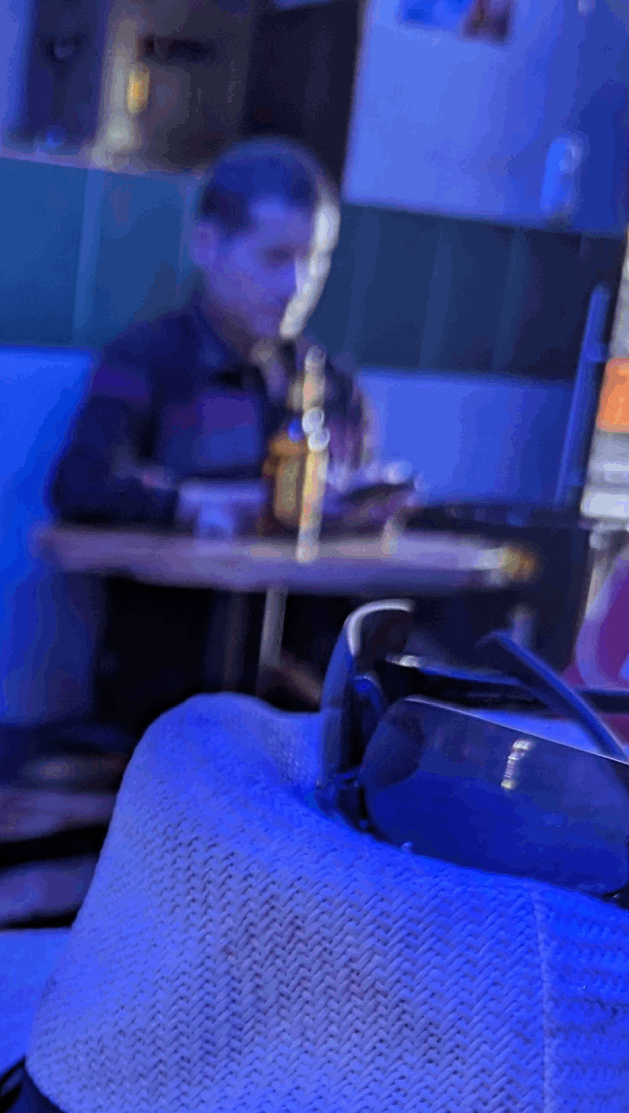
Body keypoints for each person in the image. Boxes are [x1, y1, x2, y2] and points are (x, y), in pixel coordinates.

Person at [48, 138, 375, 737]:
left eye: (316, 259)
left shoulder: (332, 385)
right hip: (167, 694)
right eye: (275, 258)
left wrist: (368, 506)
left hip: (302, 701)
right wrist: (207, 503)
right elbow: (80, 483)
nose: (296, 284)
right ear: (207, 244)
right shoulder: (149, 361)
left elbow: (356, 498)